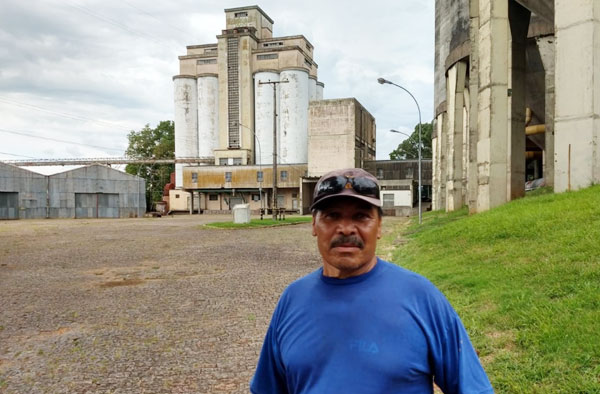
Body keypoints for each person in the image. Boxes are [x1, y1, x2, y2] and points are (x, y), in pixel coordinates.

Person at [250, 168, 494, 393]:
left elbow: (473, 388)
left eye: (361, 216)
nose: (346, 228)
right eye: (332, 216)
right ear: (314, 224)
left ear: (379, 226)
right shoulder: (293, 299)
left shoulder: (421, 297)